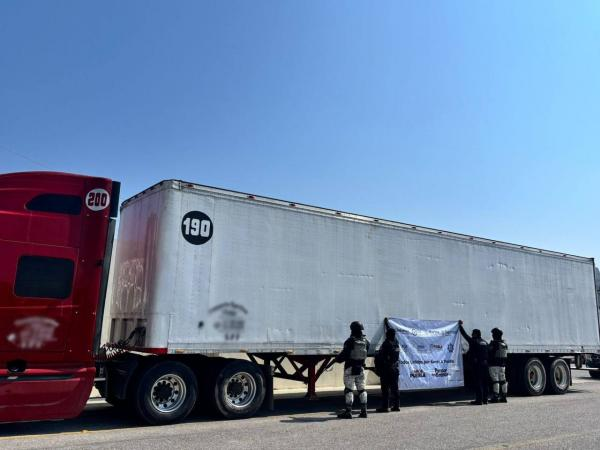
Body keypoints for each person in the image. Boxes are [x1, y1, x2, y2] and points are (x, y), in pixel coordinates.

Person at [336, 321, 370, 419]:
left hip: (350, 368)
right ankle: (364, 411)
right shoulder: (366, 342)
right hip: (361, 368)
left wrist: (337, 359)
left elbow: (344, 354)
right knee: (362, 389)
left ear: (352, 330)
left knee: (349, 389)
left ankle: (348, 411)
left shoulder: (350, 341)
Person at [459, 320, 489, 405]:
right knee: (485, 383)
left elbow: (464, 335)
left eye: (473, 334)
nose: (471, 335)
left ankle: (479, 400)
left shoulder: (474, 341)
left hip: (478, 365)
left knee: (478, 382)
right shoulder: (485, 342)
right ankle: (485, 399)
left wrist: (460, 326)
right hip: (485, 364)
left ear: (475, 334)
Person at [376, 327, 400, 412]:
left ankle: (385, 407)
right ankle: (396, 406)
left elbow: (380, 356)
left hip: (386, 369)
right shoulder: (396, 343)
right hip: (394, 369)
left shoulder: (386, 344)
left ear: (387, 335)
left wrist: (378, 367)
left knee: (385, 389)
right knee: (395, 388)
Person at [488, 327, 508, 403]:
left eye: (493, 334)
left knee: (495, 381)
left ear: (495, 335)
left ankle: (495, 397)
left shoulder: (494, 344)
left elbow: (489, 351)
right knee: (503, 380)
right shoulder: (504, 344)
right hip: (502, 365)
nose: (492, 335)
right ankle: (504, 396)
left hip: (494, 364)